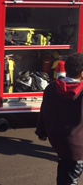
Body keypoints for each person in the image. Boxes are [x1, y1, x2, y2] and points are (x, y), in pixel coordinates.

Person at [35, 53, 83, 185]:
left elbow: (44, 111)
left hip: (59, 141)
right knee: (69, 178)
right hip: (77, 147)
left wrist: (41, 132)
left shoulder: (51, 88)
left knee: (65, 172)